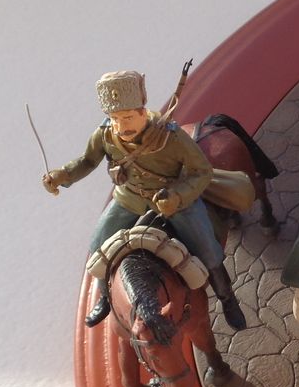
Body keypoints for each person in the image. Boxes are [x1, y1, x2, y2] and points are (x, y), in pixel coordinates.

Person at [43, 69, 247, 330]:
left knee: (207, 249)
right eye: (115, 118)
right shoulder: (105, 134)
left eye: (127, 117)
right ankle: (106, 296)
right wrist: (63, 175)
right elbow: (87, 161)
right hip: (129, 199)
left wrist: (177, 196)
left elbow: (201, 171)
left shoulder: (171, 136)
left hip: (172, 200)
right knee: (97, 245)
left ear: (142, 111)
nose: (121, 126)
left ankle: (227, 299)